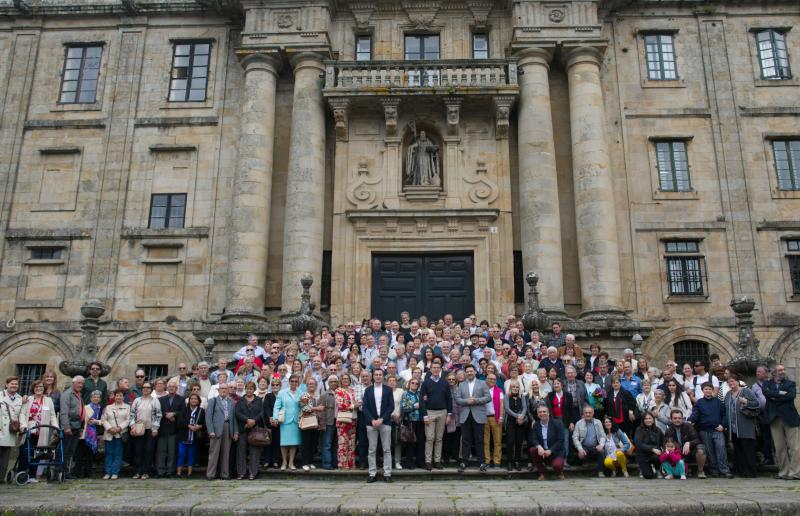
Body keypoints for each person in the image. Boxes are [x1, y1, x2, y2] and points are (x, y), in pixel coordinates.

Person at [762, 364, 800, 480]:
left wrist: (775, 396)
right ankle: (784, 472)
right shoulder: (767, 384)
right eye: (779, 370)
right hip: (775, 418)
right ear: (774, 372)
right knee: (779, 447)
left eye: (783, 369)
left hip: (790, 418)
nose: (782, 372)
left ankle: (795, 472)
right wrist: (781, 394)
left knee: (795, 447)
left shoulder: (790, 384)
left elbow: (791, 396)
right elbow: (767, 394)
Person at [18, 379, 59, 483]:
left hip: (42, 431)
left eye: (41, 387)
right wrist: (23, 425)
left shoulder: (48, 400)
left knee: (38, 453)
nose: (39, 389)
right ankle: (21, 473)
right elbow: (22, 413)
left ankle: (32, 475)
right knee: (26, 452)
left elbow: (52, 415)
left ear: (44, 388)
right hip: (29, 430)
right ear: (33, 388)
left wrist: (56, 427)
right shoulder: (29, 399)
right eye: (36, 387)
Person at [689, 381, 732, 478]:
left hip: (717, 430)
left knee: (721, 449)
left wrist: (722, 425)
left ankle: (725, 470)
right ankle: (714, 470)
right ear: (702, 391)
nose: (708, 391)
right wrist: (690, 420)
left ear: (712, 390)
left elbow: (724, 415)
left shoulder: (718, 402)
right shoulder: (699, 403)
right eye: (706, 389)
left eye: (709, 389)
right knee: (709, 451)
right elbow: (695, 414)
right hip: (704, 430)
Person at [455, 364, 491, 472]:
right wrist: (467, 401)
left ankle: (482, 462)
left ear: (475, 372)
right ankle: (464, 461)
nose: (469, 373)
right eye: (468, 371)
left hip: (478, 415)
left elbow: (488, 397)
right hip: (465, 415)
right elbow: (457, 399)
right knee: (466, 440)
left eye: (471, 371)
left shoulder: (482, 383)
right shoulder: (461, 385)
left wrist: (476, 400)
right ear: (465, 373)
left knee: (479, 440)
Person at [724, 374, 759, 478]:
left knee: (748, 450)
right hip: (734, 429)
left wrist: (746, 402)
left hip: (746, 426)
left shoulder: (746, 391)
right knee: (738, 450)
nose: (731, 383)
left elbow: (757, 404)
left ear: (738, 381)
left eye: (733, 381)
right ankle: (741, 471)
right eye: (729, 382)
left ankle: (751, 472)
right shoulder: (728, 394)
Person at [419, 360, 452, 470]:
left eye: (438, 368)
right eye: (434, 367)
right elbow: (421, 400)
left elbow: (449, 399)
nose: (436, 369)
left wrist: (449, 414)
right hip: (430, 412)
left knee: (439, 438)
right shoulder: (426, 383)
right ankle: (428, 461)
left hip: (442, 412)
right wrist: (424, 415)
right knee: (429, 438)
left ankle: (437, 461)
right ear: (431, 369)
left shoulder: (444, 382)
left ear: (440, 369)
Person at [363, 369, 394, 483]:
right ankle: (372, 473)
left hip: (384, 422)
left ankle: (387, 474)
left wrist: (381, 419)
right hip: (371, 424)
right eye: (376, 374)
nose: (378, 376)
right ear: (372, 376)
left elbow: (391, 406)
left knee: (387, 449)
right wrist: (372, 420)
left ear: (383, 376)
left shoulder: (388, 389)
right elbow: (365, 407)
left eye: (380, 374)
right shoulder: (368, 390)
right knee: (372, 450)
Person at [205, 382, 238, 480]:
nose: (223, 390)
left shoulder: (231, 402)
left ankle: (225, 474)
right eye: (222, 388)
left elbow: (234, 418)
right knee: (214, 452)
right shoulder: (213, 401)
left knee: (226, 452)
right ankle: (210, 474)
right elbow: (208, 417)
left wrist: (235, 432)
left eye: (225, 388)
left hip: (228, 427)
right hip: (216, 428)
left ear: (228, 390)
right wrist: (210, 430)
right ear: (218, 390)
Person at [664, 409, 707, 478]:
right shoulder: (669, 430)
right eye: (675, 418)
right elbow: (666, 444)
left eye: (679, 418)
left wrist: (689, 443)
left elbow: (697, 440)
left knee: (701, 450)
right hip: (677, 453)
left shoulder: (688, 426)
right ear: (671, 419)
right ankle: (674, 472)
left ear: (682, 419)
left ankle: (700, 471)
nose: (677, 420)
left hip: (690, 451)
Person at [273, 373, 303, 470]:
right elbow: (276, 406)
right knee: (284, 443)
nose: (294, 383)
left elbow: (303, 406)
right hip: (285, 420)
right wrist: (275, 418)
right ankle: (284, 462)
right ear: (289, 382)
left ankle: (291, 462)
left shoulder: (301, 393)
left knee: (294, 443)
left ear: (298, 383)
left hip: (296, 420)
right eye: (292, 381)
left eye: (296, 381)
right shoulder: (282, 393)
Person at [235, 381, 264, 479]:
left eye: (251, 389)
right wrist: (246, 420)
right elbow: (237, 413)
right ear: (245, 389)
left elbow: (261, 413)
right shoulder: (240, 401)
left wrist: (254, 421)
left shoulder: (259, 400)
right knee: (241, 451)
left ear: (254, 390)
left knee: (254, 451)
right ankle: (241, 472)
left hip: (255, 429)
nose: (249, 390)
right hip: (243, 428)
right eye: (247, 388)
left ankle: (253, 473)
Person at [156, 380, 185, 477]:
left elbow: (183, 412)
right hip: (163, 428)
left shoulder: (181, 399)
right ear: (167, 388)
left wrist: (174, 414)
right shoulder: (161, 399)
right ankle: (160, 471)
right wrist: (166, 415)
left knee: (172, 451)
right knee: (161, 451)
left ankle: (170, 471)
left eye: (173, 386)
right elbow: (158, 411)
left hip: (174, 429)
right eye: (170, 386)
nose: (171, 388)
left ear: (176, 388)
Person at [59, 375, 86, 479]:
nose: (80, 385)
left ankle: (65, 471)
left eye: (82, 384)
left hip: (77, 426)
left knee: (71, 451)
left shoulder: (79, 394)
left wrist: (81, 427)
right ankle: (59, 471)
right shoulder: (67, 394)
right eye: (78, 383)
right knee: (65, 450)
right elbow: (64, 412)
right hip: (69, 426)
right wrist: (66, 427)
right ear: (73, 383)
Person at [73, 390, 103, 478]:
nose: (96, 398)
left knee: (90, 454)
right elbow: (80, 418)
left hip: (93, 434)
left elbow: (103, 420)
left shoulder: (101, 409)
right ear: (91, 398)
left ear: (100, 399)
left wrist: (96, 421)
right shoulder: (86, 407)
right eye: (94, 397)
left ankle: (88, 473)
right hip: (83, 433)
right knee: (80, 454)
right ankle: (77, 473)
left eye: (98, 397)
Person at [530, 405, 565, 480]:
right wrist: (539, 446)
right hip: (542, 451)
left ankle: (560, 472)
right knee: (533, 450)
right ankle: (542, 472)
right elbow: (534, 439)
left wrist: (551, 450)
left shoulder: (557, 423)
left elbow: (561, 440)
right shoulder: (536, 425)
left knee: (557, 465)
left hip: (556, 452)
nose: (542, 414)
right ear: (538, 414)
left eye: (544, 412)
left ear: (548, 413)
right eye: (540, 412)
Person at [547, 378, 577, 464]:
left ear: (562, 385)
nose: (556, 385)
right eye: (555, 384)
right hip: (554, 421)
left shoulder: (568, 395)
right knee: (554, 440)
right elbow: (549, 408)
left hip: (565, 421)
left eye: (558, 383)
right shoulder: (550, 395)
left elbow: (571, 410)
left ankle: (565, 460)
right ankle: (554, 459)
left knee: (565, 440)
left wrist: (572, 422)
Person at [101, 389, 129, 480]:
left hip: (120, 433)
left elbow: (128, 420)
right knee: (109, 453)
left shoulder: (128, 407)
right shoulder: (108, 407)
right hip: (109, 433)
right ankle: (107, 472)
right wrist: (109, 428)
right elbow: (104, 419)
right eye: (117, 395)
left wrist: (119, 428)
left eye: (121, 395)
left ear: (123, 397)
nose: (119, 397)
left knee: (118, 453)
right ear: (114, 396)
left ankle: (115, 472)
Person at [571, 405, 605, 477]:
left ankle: (600, 471)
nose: (588, 414)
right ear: (583, 414)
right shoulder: (579, 423)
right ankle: (584, 462)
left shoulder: (598, 422)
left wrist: (601, 445)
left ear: (593, 413)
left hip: (595, 447)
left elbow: (602, 435)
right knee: (581, 454)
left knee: (602, 451)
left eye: (590, 413)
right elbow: (575, 437)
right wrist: (580, 449)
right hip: (584, 447)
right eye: (586, 413)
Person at [299, 377, 324, 471]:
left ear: (316, 385)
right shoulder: (304, 395)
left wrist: (316, 408)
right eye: (309, 384)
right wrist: (317, 408)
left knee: (313, 444)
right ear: (307, 385)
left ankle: (310, 462)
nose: (311, 385)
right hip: (306, 421)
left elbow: (322, 407)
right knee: (306, 443)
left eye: (313, 384)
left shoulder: (318, 396)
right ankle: (304, 463)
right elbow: (305, 408)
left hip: (315, 422)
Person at [177, 393, 204, 478]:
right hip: (184, 435)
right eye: (192, 398)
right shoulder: (184, 410)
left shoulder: (201, 410)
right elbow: (179, 422)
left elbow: (204, 423)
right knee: (181, 454)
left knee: (191, 455)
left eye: (195, 399)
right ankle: (178, 473)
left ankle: (189, 473)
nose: (193, 400)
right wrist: (189, 426)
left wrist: (199, 426)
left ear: (198, 401)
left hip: (194, 436)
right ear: (189, 401)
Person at [400, 377, 425, 469]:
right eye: (413, 383)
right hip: (409, 420)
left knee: (421, 442)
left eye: (416, 383)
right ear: (409, 384)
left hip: (420, 420)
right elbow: (403, 408)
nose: (414, 385)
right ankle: (409, 462)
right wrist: (413, 406)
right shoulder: (405, 394)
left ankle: (420, 462)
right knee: (410, 442)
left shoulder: (420, 394)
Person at [504, 380, 528, 471]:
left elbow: (525, 408)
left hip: (520, 423)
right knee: (510, 442)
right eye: (513, 387)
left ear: (519, 388)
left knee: (519, 442)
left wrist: (521, 417)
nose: (515, 388)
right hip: (510, 421)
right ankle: (509, 462)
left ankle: (517, 461)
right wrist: (518, 416)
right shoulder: (507, 396)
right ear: (510, 388)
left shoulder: (522, 396)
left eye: (517, 387)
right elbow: (507, 409)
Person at [605, 376, 637, 442]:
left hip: (624, 418)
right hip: (613, 418)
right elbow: (607, 405)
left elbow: (632, 402)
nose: (615, 384)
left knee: (625, 436)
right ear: (611, 384)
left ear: (620, 383)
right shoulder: (609, 393)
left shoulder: (626, 393)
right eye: (614, 383)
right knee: (615, 435)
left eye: (617, 382)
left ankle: (627, 449)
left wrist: (630, 411)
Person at [335, 373, 357, 469]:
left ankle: (351, 463)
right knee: (343, 443)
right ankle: (343, 464)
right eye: (343, 379)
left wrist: (356, 404)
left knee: (352, 443)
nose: (345, 380)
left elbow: (357, 401)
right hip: (343, 420)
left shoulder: (352, 391)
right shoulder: (338, 390)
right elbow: (340, 405)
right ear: (341, 380)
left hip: (353, 419)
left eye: (347, 378)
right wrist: (353, 406)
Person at [634, 412, 664, 479]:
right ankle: (643, 469)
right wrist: (652, 449)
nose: (648, 420)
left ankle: (657, 469)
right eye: (646, 419)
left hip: (655, 455)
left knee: (656, 458)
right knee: (648, 476)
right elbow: (638, 443)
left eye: (650, 418)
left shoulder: (658, 430)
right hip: (643, 455)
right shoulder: (639, 430)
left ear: (653, 419)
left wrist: (665, 449)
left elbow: (664, 441)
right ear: (643, 420)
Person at [483, 373, 504, 469]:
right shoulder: (482, 390)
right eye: (490, 379)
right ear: (486, 379)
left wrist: (501, 417)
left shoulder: (499, 391)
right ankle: (487, 460)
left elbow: (501, 405)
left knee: (497, 441)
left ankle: (497, 461)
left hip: (495, 418)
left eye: (494, 379)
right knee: (485, 441)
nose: (492, 381)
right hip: (484, 418)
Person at [263, 375, 282, 469]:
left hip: (279, 423)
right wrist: (271, 418)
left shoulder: (282, 396)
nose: (275, 386)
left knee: (277, 442)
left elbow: (283, 408)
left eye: (277, 384)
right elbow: (266, 408)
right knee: (268, 442)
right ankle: (267, 461)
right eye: (273, 384)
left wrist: (277, 419)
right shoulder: (268, 396)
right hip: (269, 423)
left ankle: (275, 461)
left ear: (280, 386)